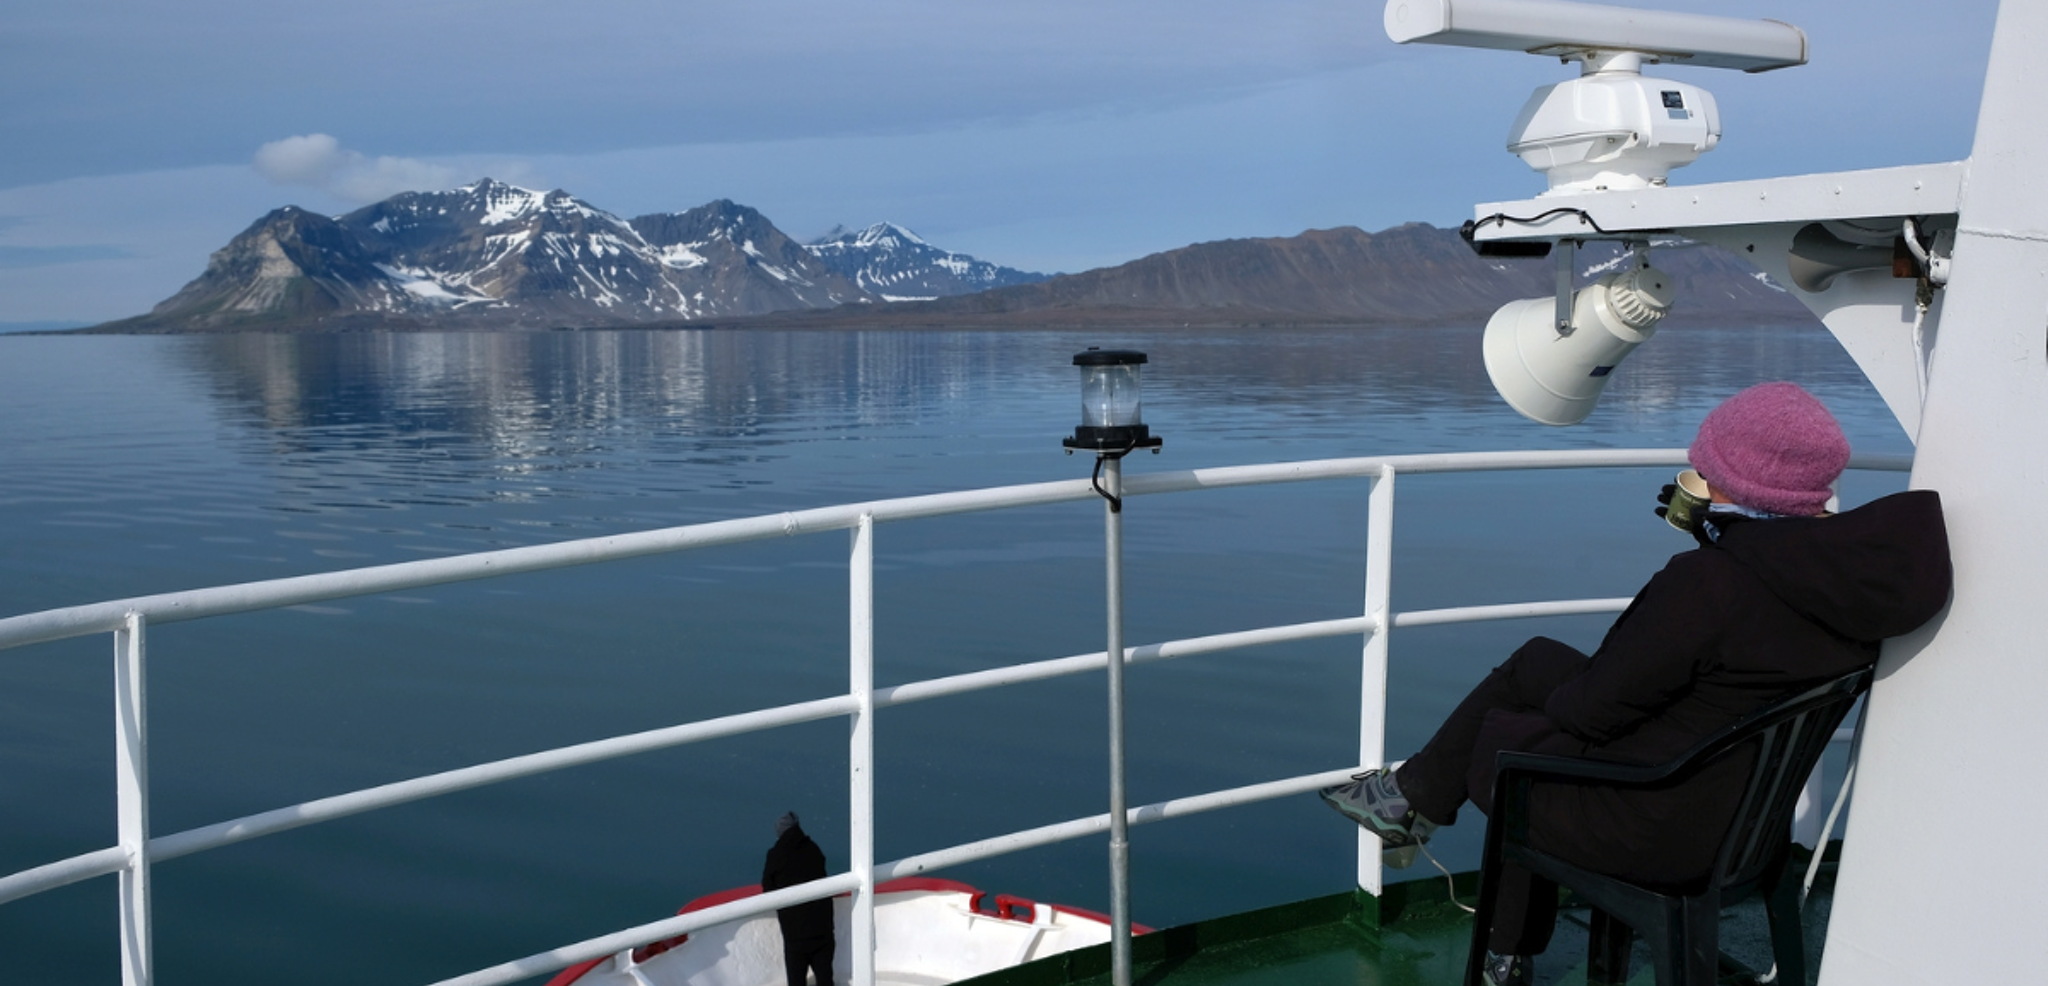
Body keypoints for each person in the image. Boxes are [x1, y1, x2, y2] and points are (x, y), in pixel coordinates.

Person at [1319, 382, 1952, 986]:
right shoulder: (1846, 589)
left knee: (1510, 746)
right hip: (1744, 825)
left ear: (1732, 486)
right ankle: (1409, 798)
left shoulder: (1711, 584)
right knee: (1537, 666)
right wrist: (1724, 541)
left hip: (1657, 827)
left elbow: (1593, 712)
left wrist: (1701, 560)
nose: (1695, 477)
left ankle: (1489, 929)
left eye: (1706, 469)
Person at [762, 811, 837, 986]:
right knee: (825, 979)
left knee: (796, 980)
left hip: (795, 932)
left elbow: (768, 889)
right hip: (822, 928)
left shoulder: (775, 855)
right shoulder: (813, 849)